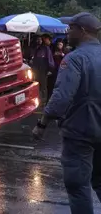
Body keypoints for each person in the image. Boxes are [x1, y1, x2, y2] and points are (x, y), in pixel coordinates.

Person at [32, 12, 101, 214]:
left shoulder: (74, 59)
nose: (67, 32)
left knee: (78, 187)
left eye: (71, 28)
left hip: (80, 133)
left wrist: (42, 124)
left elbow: (61, 98)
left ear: (83, 31)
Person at [31, 34, 55, 103]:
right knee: (36, 84)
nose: (38, 41)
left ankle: (43, 100)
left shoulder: (46, 48)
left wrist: (50, 69)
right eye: (37, 39)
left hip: (43, 70)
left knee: (43, 85)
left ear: (42, 40)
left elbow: (50, 59)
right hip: (35, 69)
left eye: (40, 39)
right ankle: (37, 99)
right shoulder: (35, 48)